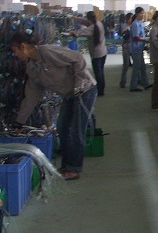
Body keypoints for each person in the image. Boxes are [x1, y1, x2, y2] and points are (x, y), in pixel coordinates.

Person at [10, 31, 97, 180]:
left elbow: (77, 58)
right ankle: (67, 165)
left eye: (16, 50)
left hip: (85, 91)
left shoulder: (47, 52)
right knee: (62, 127)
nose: (15, 55)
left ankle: (74, 168)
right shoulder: (32, 68)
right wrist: (20, 121)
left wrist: (79, 84)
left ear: (23, 46)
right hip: (69, 95)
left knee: (76, 129)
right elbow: (31, 96)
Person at [72, 11, 107, 96]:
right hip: (103, 52)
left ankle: (100, 91)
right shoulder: (98, 23)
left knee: (98, 73)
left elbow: (81, 32)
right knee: (101, 72)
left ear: (88, 19)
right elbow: (85, 22)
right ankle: (101, 88)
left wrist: (71, 33)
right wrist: (75, 18)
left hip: (96, 54)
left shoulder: (92, 28)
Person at [129, 7, 151, 92]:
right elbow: (136, 37)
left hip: (140, 48)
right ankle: (133, 86)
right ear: (137, 14)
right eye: (141, 13)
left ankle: (146, 84)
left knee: (142, 67)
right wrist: (145, 39)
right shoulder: (135, 24)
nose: (143, 15)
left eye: (143, 13)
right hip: (136, 49)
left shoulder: (140, 23)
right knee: (136, 68)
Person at [119, 12, 133, 88]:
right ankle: (122, 82)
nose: (131, 20)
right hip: (126, 47)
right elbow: (125, 36)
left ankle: (138, 80)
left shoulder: (134, 26)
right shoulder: (124, 26)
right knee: (126, 65)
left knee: (138, 64)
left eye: (132, 18)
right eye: (130, 18)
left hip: (133, 47)